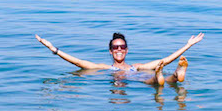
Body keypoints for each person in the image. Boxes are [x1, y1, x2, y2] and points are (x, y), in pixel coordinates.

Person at [35, 32, 204, 85]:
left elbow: (165, 59)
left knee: (157, 73)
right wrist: (54, 49)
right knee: (154, 79)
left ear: (127, 50)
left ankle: (174, 74)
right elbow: (78, 62)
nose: (119, 50)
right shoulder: (106, 68)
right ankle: (169, 76)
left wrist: (188, 45)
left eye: (122, 47)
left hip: (138, 76)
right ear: (110, 51)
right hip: (141, 79)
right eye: (115, 47)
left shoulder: (136, 67)